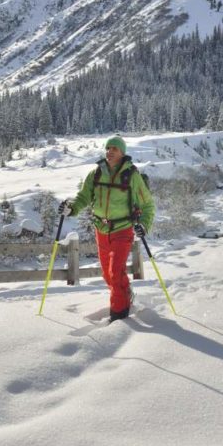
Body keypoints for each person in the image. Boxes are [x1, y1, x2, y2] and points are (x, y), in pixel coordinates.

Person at [59, 135, 154, 322]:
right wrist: (71, 208)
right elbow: (83, 197)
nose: (110, 151)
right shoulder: (95, 174)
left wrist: (144, 224)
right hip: (100, 229)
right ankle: (126, 295)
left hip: (122, 229)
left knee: (115, 272)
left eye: (114, 149)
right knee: (108, 275)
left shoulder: (132, 176)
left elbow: (148, 205)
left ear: (122, 153)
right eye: (108, 148)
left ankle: (119, 315)